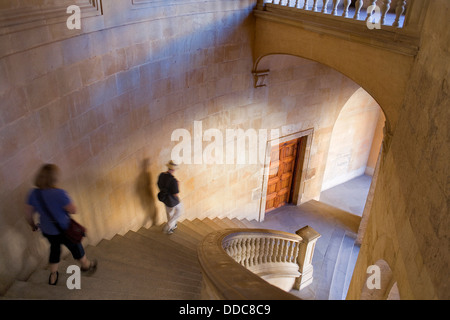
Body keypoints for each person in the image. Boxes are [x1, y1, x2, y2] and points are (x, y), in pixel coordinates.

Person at [25, 164, 97, 285]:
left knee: (54, 249)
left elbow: (28, 215)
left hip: (47, 230)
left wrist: (33, 225)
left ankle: (53, 275)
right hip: (64, 229)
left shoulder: (33, 194)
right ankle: (86, 265)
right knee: (75, 246)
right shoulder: (60, 193)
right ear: (54, 178)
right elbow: (73, 210)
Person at [157, 160, 184, 234]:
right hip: (173, 200)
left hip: (165, 198)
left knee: (169, 213)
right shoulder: (173, 180)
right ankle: (169, 226)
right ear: (174, 169)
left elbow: (159, 185)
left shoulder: (161, 175)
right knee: (179, 211)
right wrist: (178, 184)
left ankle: (172, 226)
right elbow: (175, 193)